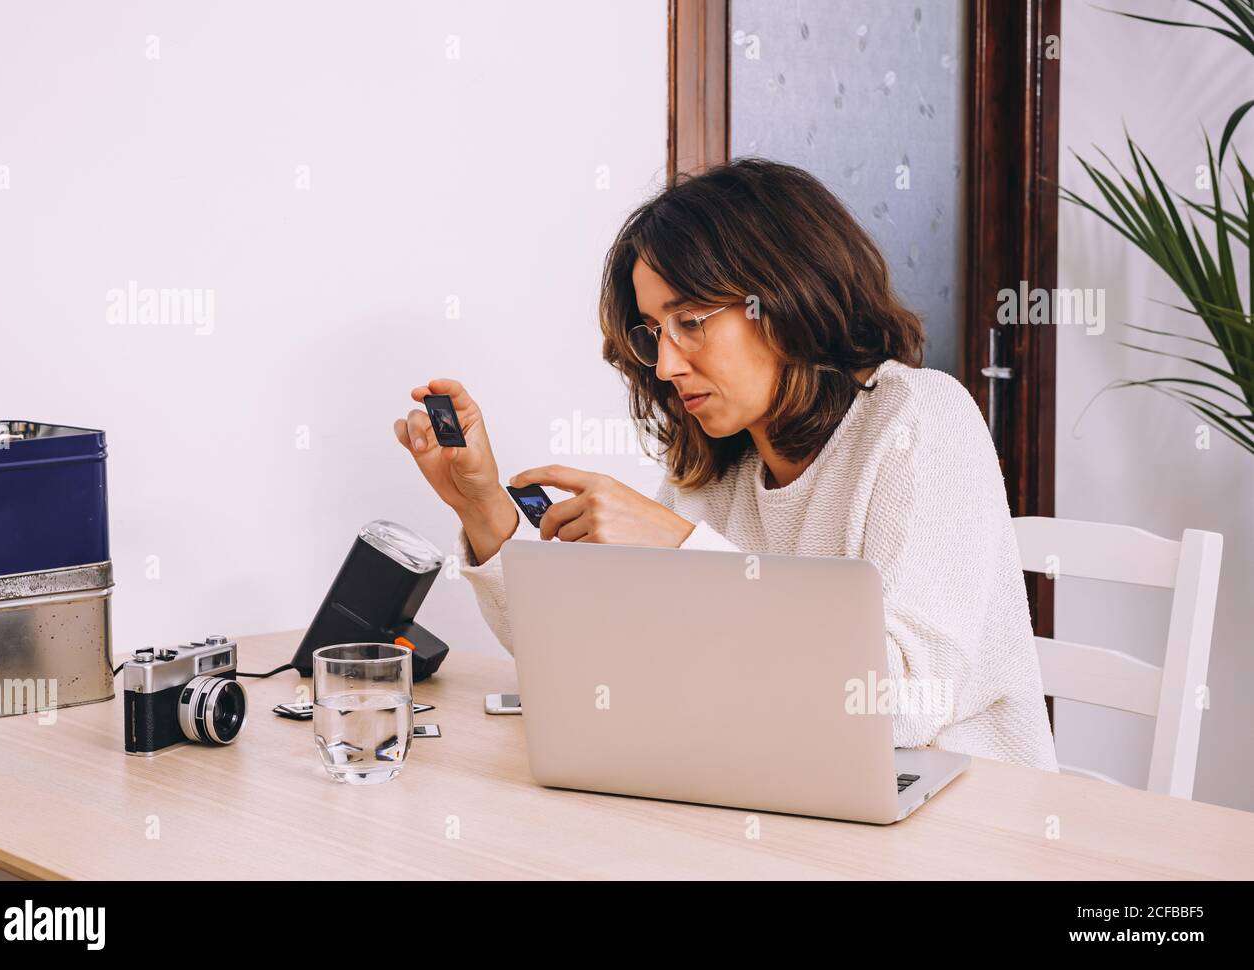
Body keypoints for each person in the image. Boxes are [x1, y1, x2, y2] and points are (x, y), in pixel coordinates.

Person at [393, 158, 1058, 771]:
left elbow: (901, 703)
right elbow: (585, 662)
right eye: (655, 331)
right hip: (781, 789)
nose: (665, 364)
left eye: (691, 320)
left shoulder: (920, 421)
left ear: (787, 295)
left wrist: (680, 547)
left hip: (960, 818)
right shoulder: (716, 472)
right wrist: (482, 508)